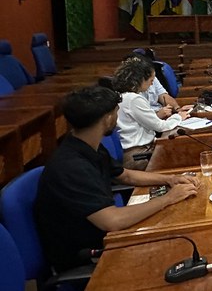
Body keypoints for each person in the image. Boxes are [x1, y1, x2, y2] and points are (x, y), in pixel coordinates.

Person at [34, 86, 200, 275]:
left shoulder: (86, 145)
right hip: (92, 255)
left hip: (108, 236)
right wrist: (169, 198)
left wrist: (171, 179)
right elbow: (112, 221)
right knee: (183, 250)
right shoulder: (71, 167)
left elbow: (125, 175)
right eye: (116, 112)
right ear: (107, 119)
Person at [113, 59, 192, 170]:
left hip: (140, 151)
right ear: (140, 79)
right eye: (151, 80)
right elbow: (160, 126)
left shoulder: (125, 96)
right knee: (184, 157)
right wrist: (179, 116)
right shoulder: (133, 99)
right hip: (138, 156)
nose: (152, 83)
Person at [127, 52, 181, 120]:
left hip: (160, 116)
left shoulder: (150, 76)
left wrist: (178, 109)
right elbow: (143, 120)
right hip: (152, 120)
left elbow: (163, 95)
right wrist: (158, 115)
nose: (151, 84)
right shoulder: (130, 92)